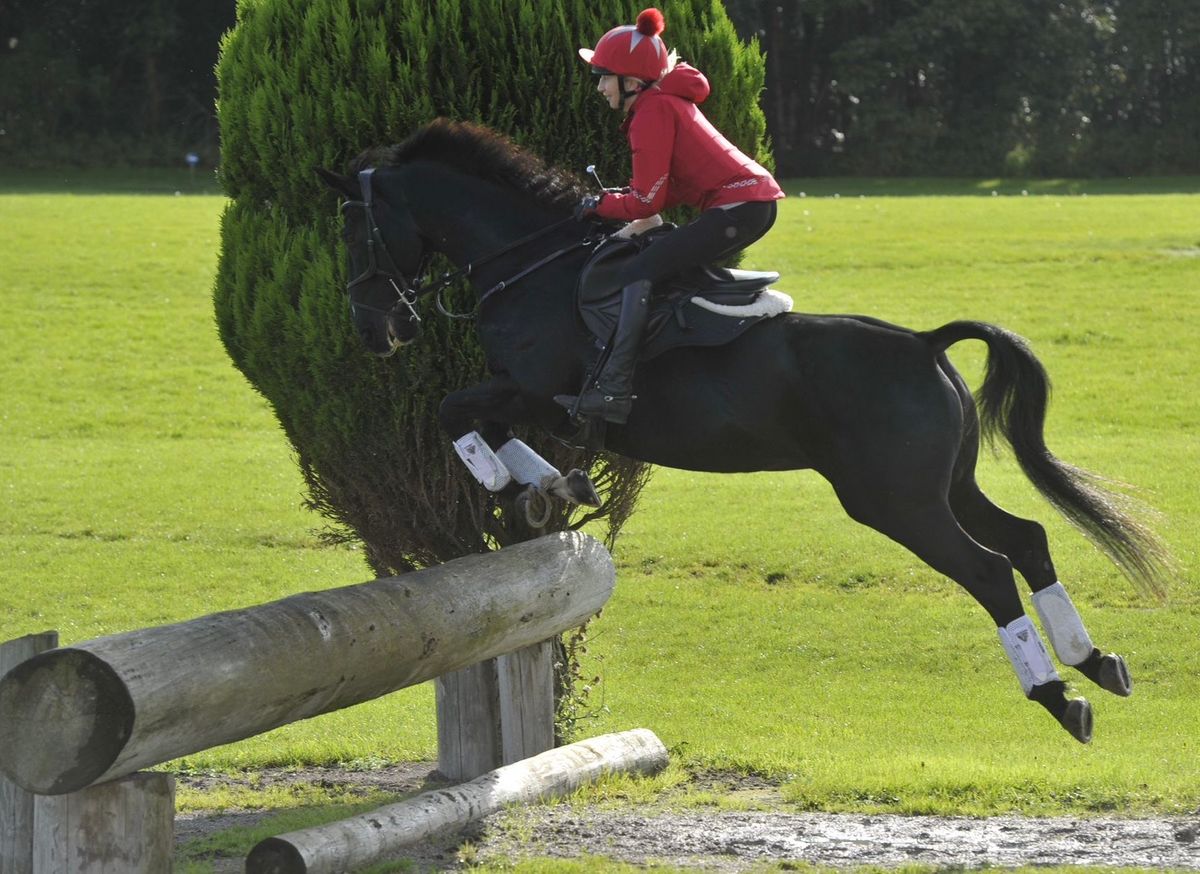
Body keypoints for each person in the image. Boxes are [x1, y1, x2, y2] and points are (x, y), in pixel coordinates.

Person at [555, 7, 784, 425]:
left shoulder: (652, 111)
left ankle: (613, 390)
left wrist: (598, 206)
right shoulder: (660, 103)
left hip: (741, 206)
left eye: (604, 77)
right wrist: (617, 198)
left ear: (631, 81)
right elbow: (668, 188)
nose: (600, 87)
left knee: (641, 269)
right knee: (660, 259)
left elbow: (648, 204)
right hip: (747, 204)